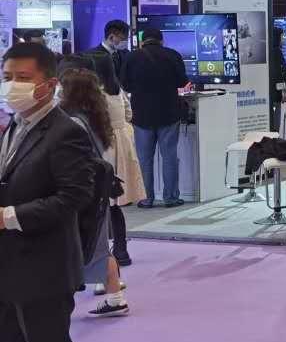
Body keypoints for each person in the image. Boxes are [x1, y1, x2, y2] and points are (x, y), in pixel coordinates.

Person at [0, 41, 98, 342]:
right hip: (9, 261)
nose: (13, 86)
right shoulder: (14, 125)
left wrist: (9, 216)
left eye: (23, 78)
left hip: (44, 262)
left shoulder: (66, 132)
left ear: (48, 84)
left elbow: (73, 196)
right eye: (7, 77)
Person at [56, 67, 135, 319]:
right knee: (98, 247)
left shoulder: (73, 122)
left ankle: (111, 297)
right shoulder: (94, 118)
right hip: (94, 192)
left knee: (85, 247)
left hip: (82, 193)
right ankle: (115, 296)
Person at [121, 26, 190, 208]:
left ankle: (146, 198)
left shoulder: (131, 57)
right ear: (161, 40)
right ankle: (171, 197)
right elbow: (182, 81)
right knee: (169, 156)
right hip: (169, 113)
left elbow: (125, 84)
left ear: (142, 41)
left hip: (141, 115)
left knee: (144, 159)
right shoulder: (172, 55)